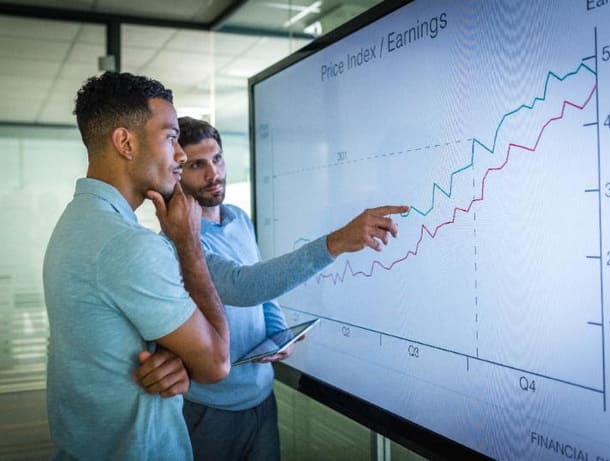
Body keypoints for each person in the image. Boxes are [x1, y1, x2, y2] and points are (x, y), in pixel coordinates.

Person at [173, 116, 408, 461]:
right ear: (177, 172)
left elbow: (261, 290)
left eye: (217, 158)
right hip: (210, 409)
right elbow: (244, 286)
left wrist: (279, 332)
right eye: (197, 165)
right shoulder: (183, 240)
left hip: (261, 397)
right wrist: (337, 242)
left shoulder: (238, 217)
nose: (213, 174)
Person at [43, 72, 231, 461]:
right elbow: (216, 363)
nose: (181, 154)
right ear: (125, 142)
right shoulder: (126, 244)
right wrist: (188, 244)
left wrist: (178, 359)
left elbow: (110, 338)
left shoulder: (76, 222)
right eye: (170, 137)